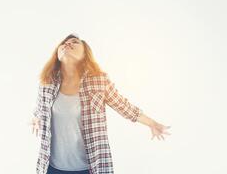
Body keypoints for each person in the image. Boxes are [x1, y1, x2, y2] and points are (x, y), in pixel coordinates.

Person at [30, 33, 172, 174]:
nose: (67, 44)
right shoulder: (47, 83)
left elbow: (124, 106)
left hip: (89, 167)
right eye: (64, 43)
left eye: (74, 42)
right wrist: (36, 118)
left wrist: (152, 123)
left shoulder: (99, 80)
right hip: (52, 168)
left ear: (85, 55)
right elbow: (40, 107)